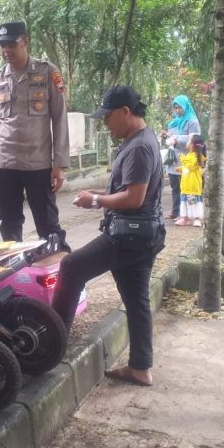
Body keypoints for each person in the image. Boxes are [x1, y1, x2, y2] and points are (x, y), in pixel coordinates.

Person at [52, 85, 165, 387]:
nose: (105, 123)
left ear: (126, 112)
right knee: (136, 299)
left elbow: (134, 198)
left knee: (71, 267)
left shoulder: (139, 147)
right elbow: (129, 191)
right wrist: (99, 194)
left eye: (108, 116)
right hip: (143, 235)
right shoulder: (141, 139)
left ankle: (51, 346)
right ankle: (140, 367)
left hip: (128, 236)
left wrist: (96, 201)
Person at [0, 21, 71, 250]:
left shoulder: (47, 72)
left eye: (11, 44)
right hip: (5, 165)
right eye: (2, 45)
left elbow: (60, 119)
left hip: (38, 164)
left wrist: (59, 164)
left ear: (25, 42)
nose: (6, 50)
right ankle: (14, 269)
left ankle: (62, 267)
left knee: (48, 226)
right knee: (9, 227)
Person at [161, 95, 201, 220]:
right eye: (175, 108)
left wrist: (176, 139)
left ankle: (190, 214)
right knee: (175, 187)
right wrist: (166, 136)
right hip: (173, 159)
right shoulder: (173, 122)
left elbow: (195, 139)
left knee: (188, 188)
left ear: (186, 107)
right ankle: (175, 212)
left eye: (179, 107)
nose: (177, 110)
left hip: (187, 160)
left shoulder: (192, 122)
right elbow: (170, 138)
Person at [175, 134, 206, 227]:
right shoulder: (189, 154)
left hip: (193, 185)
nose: (187, 142)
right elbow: (187, 167)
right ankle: (185, 218)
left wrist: (182, 158)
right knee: (184, 202)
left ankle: (197, 218)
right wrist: (180, 169)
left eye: (189, 140)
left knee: (193, 202)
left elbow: (191, 166)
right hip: (186, 185)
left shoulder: (198, 156)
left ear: (193, 144)